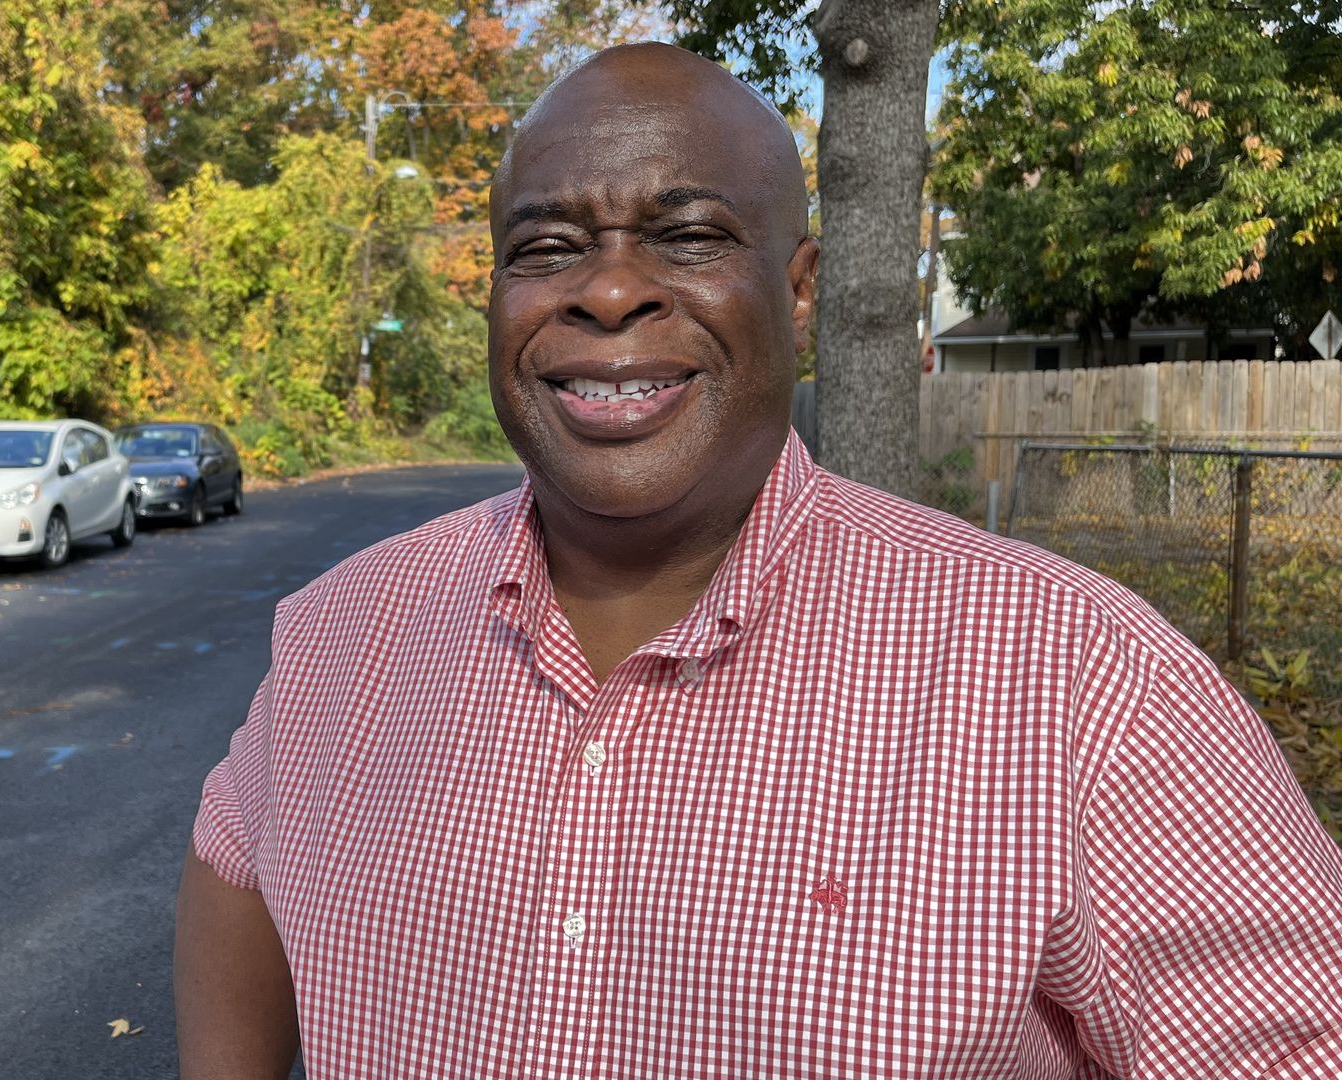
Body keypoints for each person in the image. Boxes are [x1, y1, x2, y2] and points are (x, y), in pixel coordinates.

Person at [173, 42, 1342, 1079]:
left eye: (687, 237)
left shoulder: (1080, 683)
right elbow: (237, 863)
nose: (612, 288)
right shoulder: (342, 634)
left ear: (799, 286)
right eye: (549, 247)